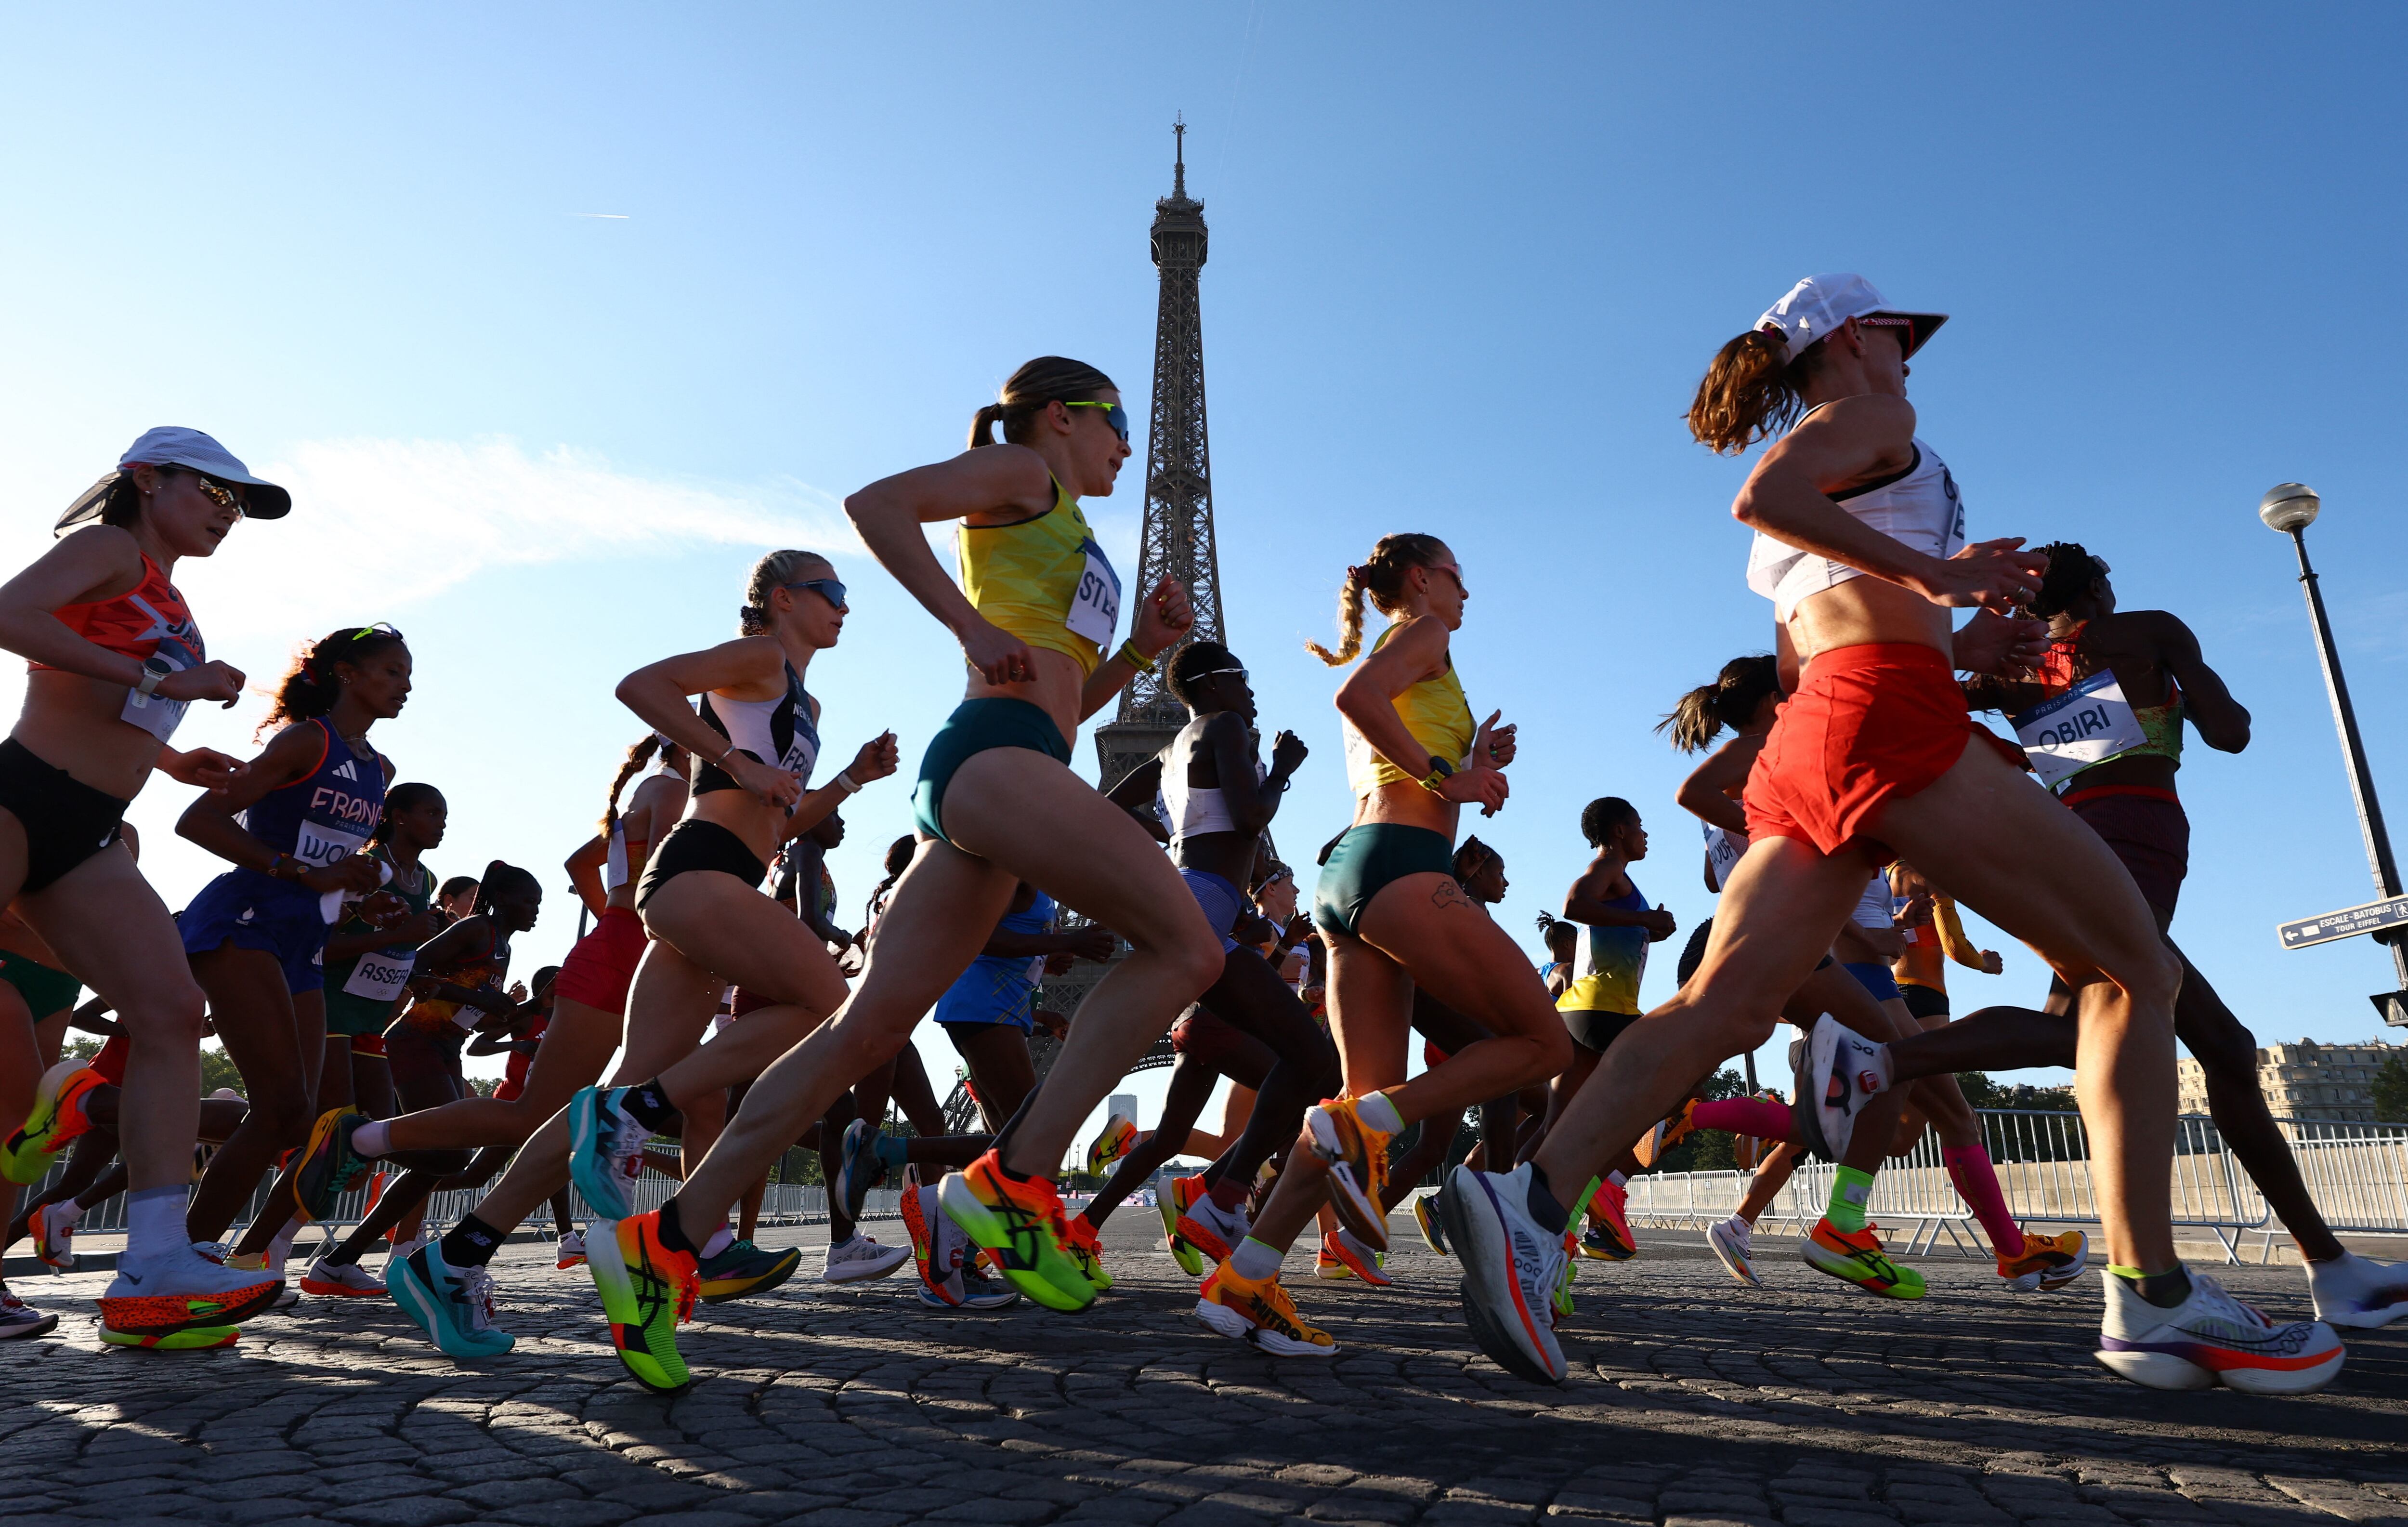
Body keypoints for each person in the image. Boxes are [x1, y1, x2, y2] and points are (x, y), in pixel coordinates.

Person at [1452, 274, 2338, 1394]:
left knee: (1718, 1002)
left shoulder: (1833, 487)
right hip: (1882, 714)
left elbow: (1806, 645)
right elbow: (1763, 495)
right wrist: (1941, 579)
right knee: (2132, 971)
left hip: (1819, 723)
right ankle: (2152, 1294)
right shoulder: (1874, 418)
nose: (1910, 358)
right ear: (1858, 339)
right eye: (1899, 337)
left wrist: (1960, 652)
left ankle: (1526, 1202)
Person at [580, 356, 1210, 1394]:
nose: (1128, 449)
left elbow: (1063, 703)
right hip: (995, 759)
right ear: (1063, 415)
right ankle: (1011, 1178)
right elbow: (874, 507)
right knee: (1185, 945)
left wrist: (1137, 647)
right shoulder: (1021, 469)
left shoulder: (1053, 512)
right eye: (1114, 425)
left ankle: (668, 1238)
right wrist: (966, 624)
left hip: (1010, 766)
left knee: (862, 1032)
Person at [381, 553, 896, 1367]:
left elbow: (778, 820)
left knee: (603, 1100)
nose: (846, 608)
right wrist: (732, 761)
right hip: (697, 872)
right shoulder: (759, 658)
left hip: (720, 880)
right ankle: (645, 1137)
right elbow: (640, 684)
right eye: (833, 593)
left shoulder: (807, 698)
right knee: (831, 1003)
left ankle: (456, 1256)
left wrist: (850, 782)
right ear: (786, 599)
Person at [1945, 540, 2403, 1330]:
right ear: (2095, 585)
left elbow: (1934, 701)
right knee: (2071, 1032)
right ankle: (1881, 1060)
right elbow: (2232, 732)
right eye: (2109, 580)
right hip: (2139, 834)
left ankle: (2332, 1266)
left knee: (2224, 1046)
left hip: (2071, 839)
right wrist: (2181, 696)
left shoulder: (2012, 668)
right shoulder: (2152, 630)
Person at [1195, 533, 1567, 1358]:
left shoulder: (1419, 648)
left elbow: (1382, 727)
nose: (1468, 594)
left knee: (1346, 1116)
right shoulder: (1424, 632)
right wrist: (1449, 776)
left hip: (1351, 874)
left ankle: (1246, 1278)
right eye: (1460, 578)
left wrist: (1474, 761)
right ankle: (1377, 1125)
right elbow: (1356, 700)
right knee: (1542, 1041)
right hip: (1404, 867)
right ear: (1427, 579)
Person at [0, 429, 304, 1346]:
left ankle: (156, 1259)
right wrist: (161, 675)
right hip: (18, 798)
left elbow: (105, 690)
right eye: (212, 490)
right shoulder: (109, 547)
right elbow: (10, 615)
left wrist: (171, 760)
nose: (227, 510)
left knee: (169, 1010)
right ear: (145, 479)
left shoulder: (170, 591)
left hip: (86, 830)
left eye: (239, 501)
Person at [1089, 642, 1337, 1284]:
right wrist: (1281, 767)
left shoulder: (1171, 751)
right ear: (1214, 683)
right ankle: (1222, 1198)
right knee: (1312, 1062)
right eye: (1243, 677)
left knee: (1099, 1052)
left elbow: (1111, 807)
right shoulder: (1226, 726)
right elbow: (1254, 813)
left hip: (1195, 902)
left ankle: (1217, 1198)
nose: (1252, 689)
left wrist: (1168, 843)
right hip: (1205, 907)